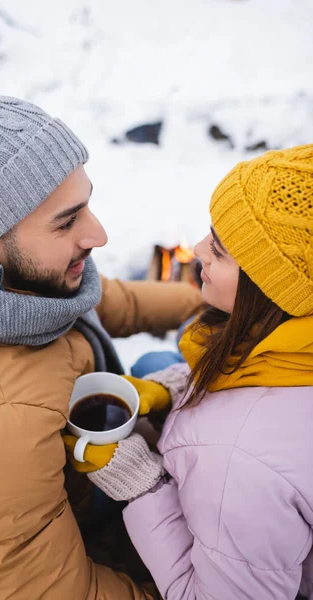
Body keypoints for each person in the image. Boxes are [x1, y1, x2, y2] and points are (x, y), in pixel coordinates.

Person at [0, 92, 202, 599]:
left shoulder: (10, 270)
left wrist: (206, 303)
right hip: (45, 509)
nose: (100, 235)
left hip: (66, 463)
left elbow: (107, 299)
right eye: (68, 222)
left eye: (86, 203)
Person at [66, 145, 313, 600]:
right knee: (155, 365)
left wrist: (144, 488)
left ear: (270, 291)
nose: (198, 250)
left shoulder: (238, 461)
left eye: (218, 250)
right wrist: (185, 386)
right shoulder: (290, 338)